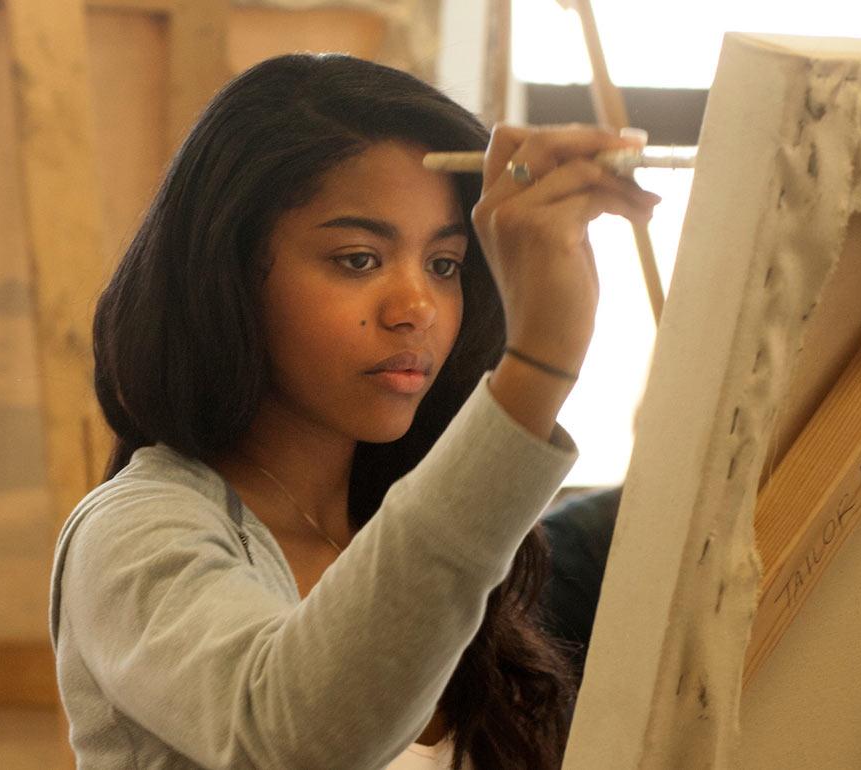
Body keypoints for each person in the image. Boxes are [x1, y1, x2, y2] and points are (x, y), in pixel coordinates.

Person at [46, 53, 659, 770]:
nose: (415, 310)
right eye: (359, 259)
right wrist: (538, 366)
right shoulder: (134, 533)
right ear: (228, 273)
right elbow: (297, 734)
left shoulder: (399, 525)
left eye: (445, 265)